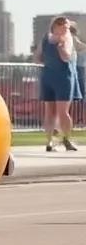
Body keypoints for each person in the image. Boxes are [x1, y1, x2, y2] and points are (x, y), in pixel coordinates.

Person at [34, 16, 81, 152]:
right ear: (54, 26)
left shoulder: (67, 39)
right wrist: (50, 54)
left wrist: (59, 46)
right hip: (54, 77)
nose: (63, 27)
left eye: (65, 25)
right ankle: (50, 141)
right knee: (51, 111)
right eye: (60, 24)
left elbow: (64, 57)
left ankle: (65, 139)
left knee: (61, 111)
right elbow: (38, 58)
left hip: (60, 76)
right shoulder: (47, 39)